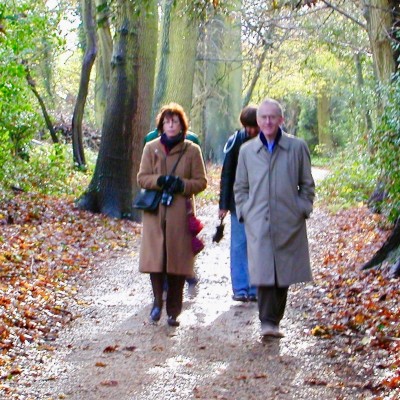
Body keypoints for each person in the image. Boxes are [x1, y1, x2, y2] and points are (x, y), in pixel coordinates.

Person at [234, 98, 315, 338]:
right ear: (257, 121)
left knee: (283, 273)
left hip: (288, 220)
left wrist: (302, 208)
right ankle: (268, 321)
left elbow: (307, 184)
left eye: (272, 117)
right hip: (258, 219)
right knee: (263, 270)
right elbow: (240, 187)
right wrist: (245, 211)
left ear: (281, 120)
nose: (268, 122)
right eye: (263, 117)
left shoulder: (297, 147)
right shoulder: (247, 151)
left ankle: (275, 319)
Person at [137, 103, 207, 327]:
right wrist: (160, 181)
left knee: (178, 262)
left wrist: (181, 184)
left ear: (181, 125)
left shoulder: (192, 150)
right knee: (155, 260)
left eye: (174, 121)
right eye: (167, 121)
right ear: (161, 124)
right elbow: (142, 178)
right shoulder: (151, 147)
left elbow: (201, 182)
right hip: (155, 212)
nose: (170, 125)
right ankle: (157, 302)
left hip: (180, 212)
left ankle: (174, 311)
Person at [144, 126, 202, 294]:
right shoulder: (150, 140)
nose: (171, 125)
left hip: (181, 199)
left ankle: (187, 274)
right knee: (160, 242)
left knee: (182, 241)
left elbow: (197, 172)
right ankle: (164, 284)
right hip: (158, 200)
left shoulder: (192, 141)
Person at [218, 106, 259, 302]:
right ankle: (241, 288)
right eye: (248, 127)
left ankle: (256, 288)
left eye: (254, 126)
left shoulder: (272, 140)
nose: (251, 130)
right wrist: (223, 204)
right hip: (238, 202)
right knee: (239, 245)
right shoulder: (235, 141)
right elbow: (227, 173)